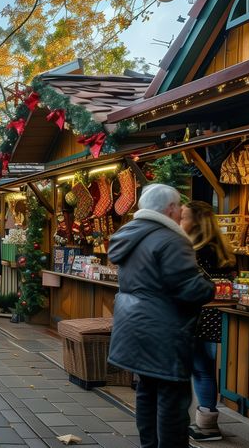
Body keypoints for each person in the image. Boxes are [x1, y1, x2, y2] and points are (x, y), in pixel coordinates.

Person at [108, 184, 215, 448]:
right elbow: (189, 288)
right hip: (163, 330)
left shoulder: (129, 234)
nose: (180, 211)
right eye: (179, 206)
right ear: (169, 208)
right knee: (173, 397)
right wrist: (209, 286)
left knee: (147, 390)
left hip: (134, 326)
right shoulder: (171, 239)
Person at [181, 200, 237, 442]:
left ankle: (207, 426)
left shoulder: (195, 251)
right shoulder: (223, 249)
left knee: (200, 369)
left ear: (197, 222)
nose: (181, 221)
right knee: (207, 369)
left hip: (199, 314)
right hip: (218, 316)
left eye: (184, 217)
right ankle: (207, 421)